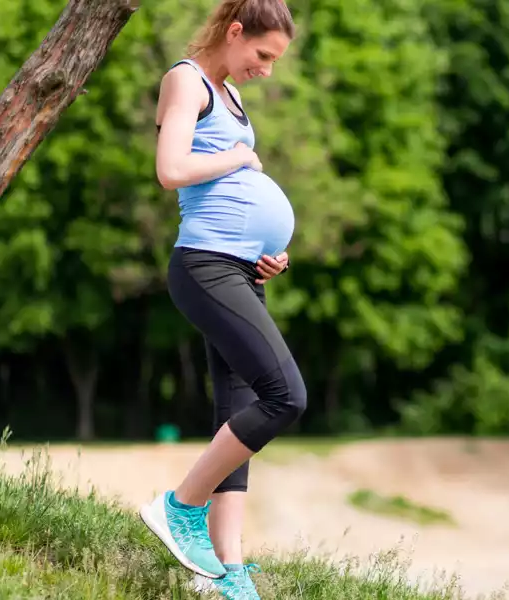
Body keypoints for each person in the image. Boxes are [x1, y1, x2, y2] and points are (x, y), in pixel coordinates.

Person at [137, 1, 305, 598]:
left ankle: (225, 571)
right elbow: (171, 167)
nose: (267, 69)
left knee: (239, 413)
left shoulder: (229, 93)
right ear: (235, 32)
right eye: (262, 55)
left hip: (241, 269)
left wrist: (270, 251)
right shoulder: (187, 79)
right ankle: (181, 507)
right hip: (205, 267)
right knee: (286, 397)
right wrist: (242, 157)